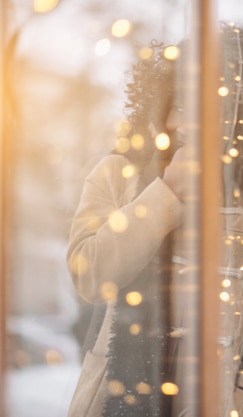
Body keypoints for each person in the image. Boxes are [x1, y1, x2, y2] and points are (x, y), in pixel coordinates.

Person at [66, 41, 191, 417]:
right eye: (181, 107)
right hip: (123, 390)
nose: (189, 125)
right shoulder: (117, 173)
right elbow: (88, 275)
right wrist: (166, 194)